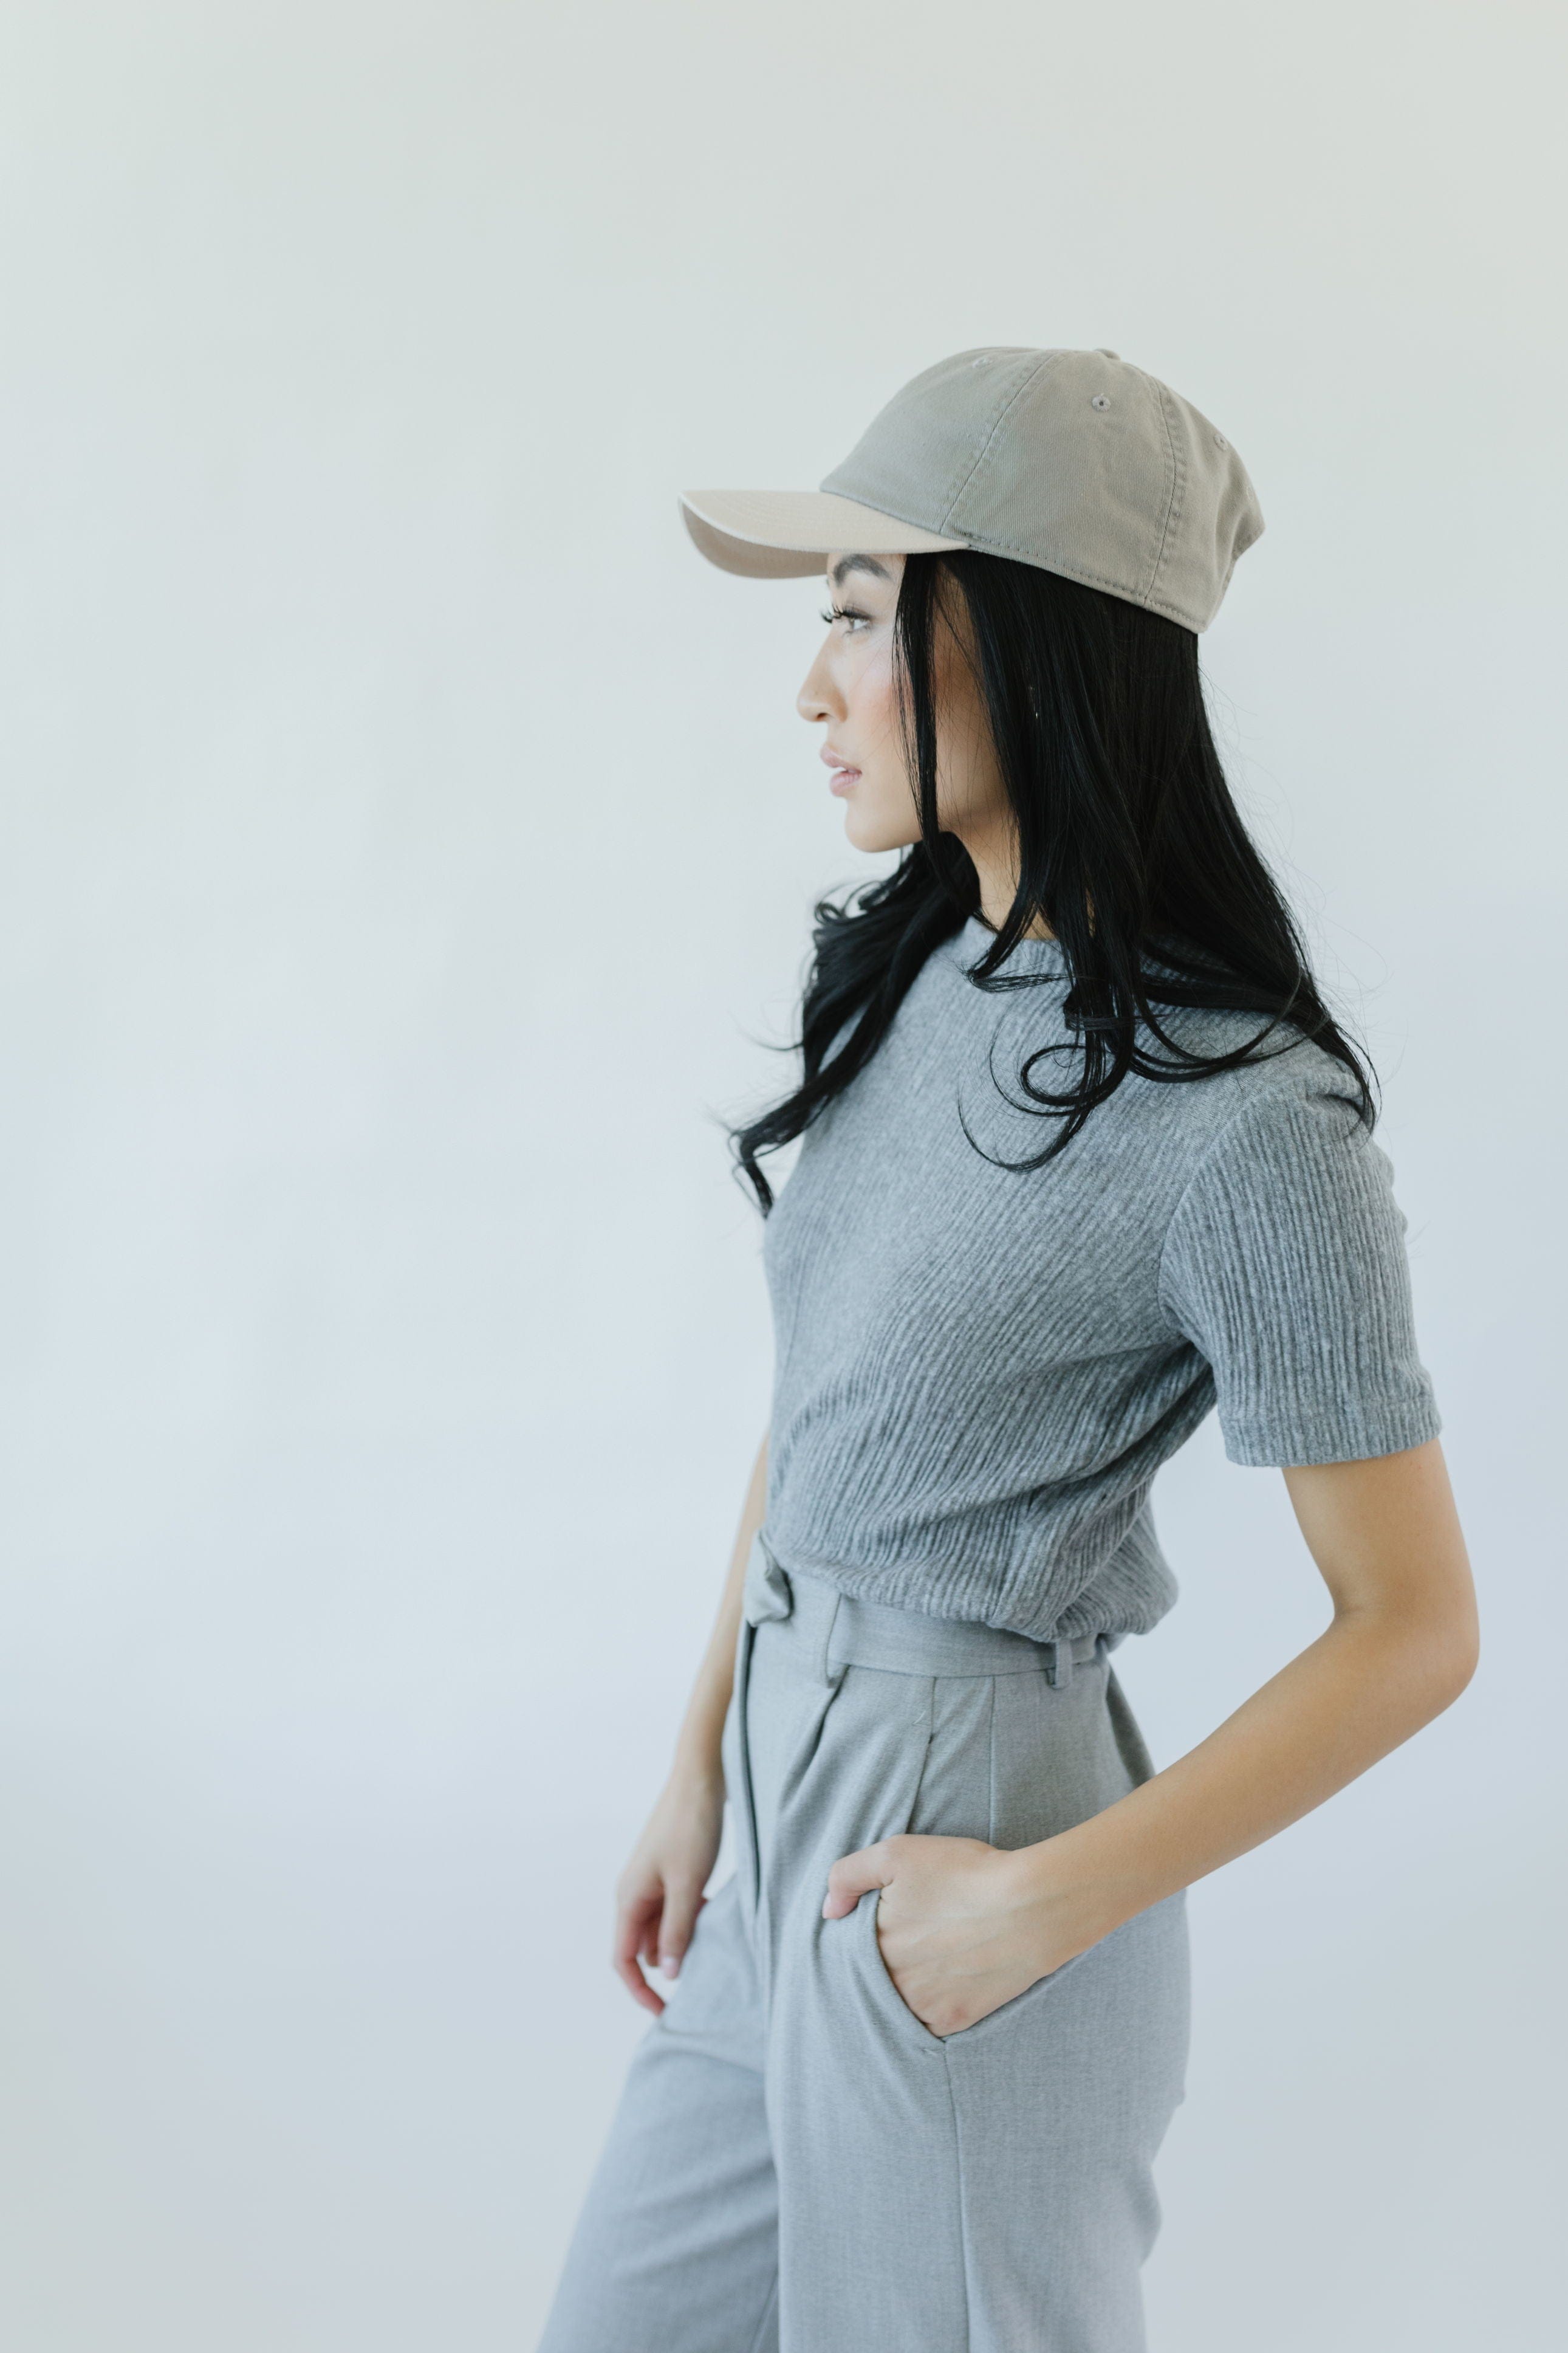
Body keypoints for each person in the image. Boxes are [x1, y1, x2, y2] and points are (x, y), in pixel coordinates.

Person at [536, 347, 1477, 2353]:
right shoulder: (911, 974)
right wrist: (700, 1765)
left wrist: (1044, 1906)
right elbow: (826, 1408)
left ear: (1036, 639)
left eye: (860, 616)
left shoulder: (1245, 1117)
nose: (813, 689)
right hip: (784, 1802)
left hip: (967, 1842)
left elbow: (1415, 1629)